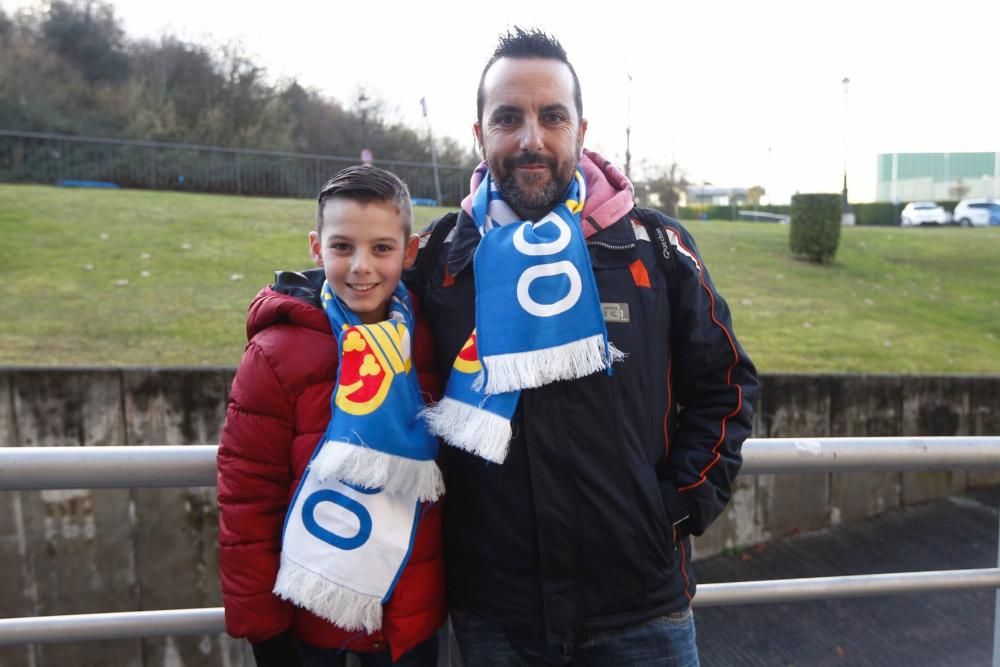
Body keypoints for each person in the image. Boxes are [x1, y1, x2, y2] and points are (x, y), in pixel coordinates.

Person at [405, 28, 758, 666]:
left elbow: (726, 386)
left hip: (640, 610)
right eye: (508, 117)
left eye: (552, 116)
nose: (531, 138)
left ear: (581, 130)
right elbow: (355, 312)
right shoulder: (437, 259)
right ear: (479, 132)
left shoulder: (655, 247)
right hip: (496, 616)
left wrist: (674, 512)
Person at [218, 165, 446, 667]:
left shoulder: (429, 339)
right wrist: (265, 634)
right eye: (343, 247)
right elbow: (248, 499)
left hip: (410, 619)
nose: (361, 266)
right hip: (312, 621)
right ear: (317, 248)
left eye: (382, 248)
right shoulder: (276, 353)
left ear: (409, 253)